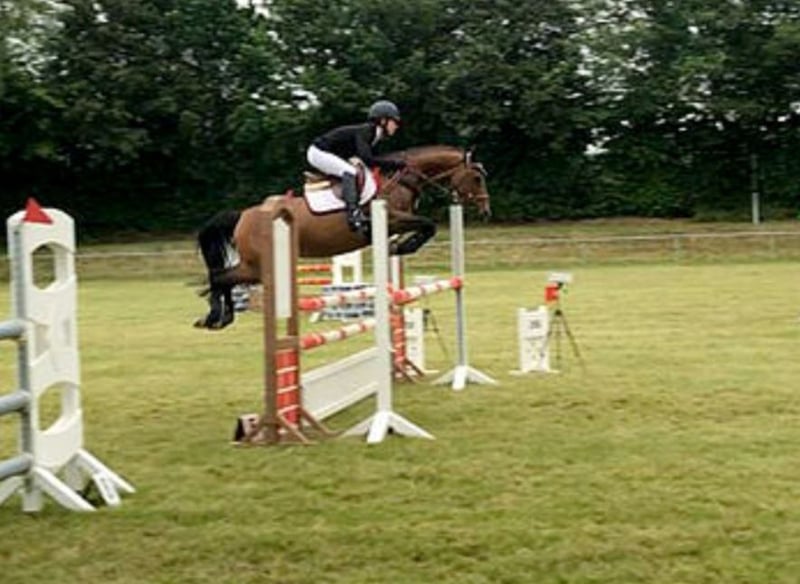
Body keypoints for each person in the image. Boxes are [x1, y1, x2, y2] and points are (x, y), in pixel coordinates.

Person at [307, 100, 406, 232]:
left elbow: (368, 158)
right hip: (318, 152)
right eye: (394, 122)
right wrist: (394, 164)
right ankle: (353, 214)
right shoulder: (367, 131)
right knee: (350, 172)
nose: (396, 126)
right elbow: (368, 159)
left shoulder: (375, 135)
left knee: (356, 170)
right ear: (383, 121)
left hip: (331, 153)